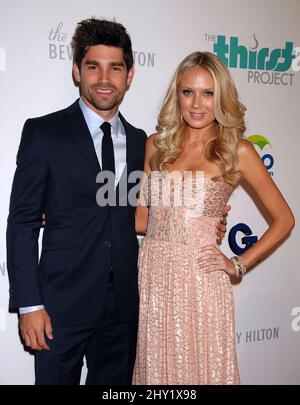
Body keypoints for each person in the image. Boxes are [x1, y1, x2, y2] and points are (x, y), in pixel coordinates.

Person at [6, 19, 227, 385]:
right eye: (93, 66)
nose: (104, 78)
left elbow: (146, 215)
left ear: (130, 75)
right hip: (60, 307)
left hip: (127, 308)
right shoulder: (44, 133)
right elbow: (22, 223)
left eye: (115, 67)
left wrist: (203, 219)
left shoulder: (147, 142)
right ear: (77, 71)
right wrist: (30, 305)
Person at [133, 51, 295, 385]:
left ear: (220, 98)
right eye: (187, 91)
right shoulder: (154, 146)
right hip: (154, 277)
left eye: (208, 93)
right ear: (176, 94)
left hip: (201, 279)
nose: (196, 103)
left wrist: (237, 264)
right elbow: (139, 220)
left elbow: (284, 220)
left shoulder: (239, 151)